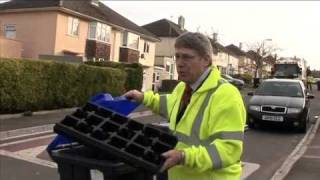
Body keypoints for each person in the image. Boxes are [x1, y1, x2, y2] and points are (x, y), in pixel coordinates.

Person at [124, 32, 246, 180]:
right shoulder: (183, 88)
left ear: (206, 60)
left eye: (187, 57)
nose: (180, 63)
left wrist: (184, 157)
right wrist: (143, 97)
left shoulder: (226, 95)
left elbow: (229, 150)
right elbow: (169, 105)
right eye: (178, 56)